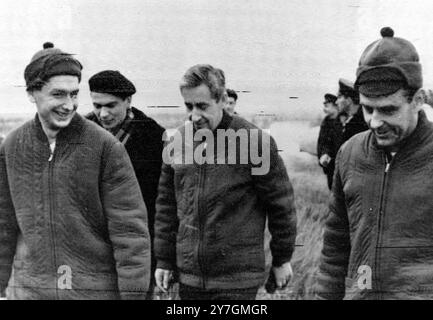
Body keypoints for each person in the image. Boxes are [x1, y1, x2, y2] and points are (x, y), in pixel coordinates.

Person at [0, 43, 151, 299]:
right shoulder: (12, 145)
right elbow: (3, 226)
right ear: (31, 93)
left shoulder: (104, 147)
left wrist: (133, 296)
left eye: (74, 94)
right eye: (58, 94)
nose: (69, 105)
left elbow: (130, 234)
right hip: (29, 292)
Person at [154, 64, 297, 300]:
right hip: (190, 278)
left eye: (202, 106)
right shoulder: (177, 142)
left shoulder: (255, 143)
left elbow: (281, 206)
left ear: (222, 99)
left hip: (236, 281)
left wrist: (282, 259)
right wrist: (165, 259)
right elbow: (167, 206)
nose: (194, 116)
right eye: (188, 106)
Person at [316, 27, 433, 299]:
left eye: (389, 110)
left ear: (417, 101)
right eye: (368, 109)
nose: (375, 122)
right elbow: (335, 245)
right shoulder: (350, 153)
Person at [86, 70, 165, 299]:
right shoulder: (80, 131)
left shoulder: (153, 137)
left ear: (128, 101)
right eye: (97, 105)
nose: (103, 113)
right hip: (93, 247)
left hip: (136, 247)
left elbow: (160, 200)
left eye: (111, 105)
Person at [317, 93, 339, 189]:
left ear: (335, 106)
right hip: (329, 166)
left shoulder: (343, 121)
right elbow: (322, 142)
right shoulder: (326, 122)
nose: (324, 109)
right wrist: (322, 156)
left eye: (327, 106)